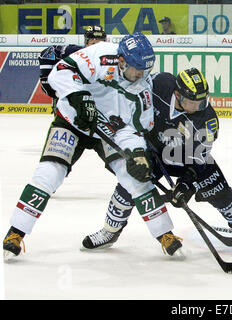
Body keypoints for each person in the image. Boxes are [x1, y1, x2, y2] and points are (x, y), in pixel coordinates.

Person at [3, 33, 182, 261]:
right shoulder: (100, 54)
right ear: (122, 61)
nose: (140, 75)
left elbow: (133, 129)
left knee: (136, 178)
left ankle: (164, 234)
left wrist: (137, 153)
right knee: (49, 173)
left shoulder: (143, 89)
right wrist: (80, 97)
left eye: (145, 69)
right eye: (137, 68)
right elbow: (60, 71)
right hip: (71, 121)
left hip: (107, 132)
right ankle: (16, 233)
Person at [81, 67, 232, 250]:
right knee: (127, 186)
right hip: (153, 153)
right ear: (177, 94)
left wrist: (186, 185)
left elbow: (199, 160)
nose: (197, 107)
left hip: (187, 160)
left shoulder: (207, 120)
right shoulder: (160, 84)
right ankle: (110, 232)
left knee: (220, 192)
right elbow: (132, 97)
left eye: (202, 102)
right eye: (192, 102)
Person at [38, 25, 107, 114]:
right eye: (93, 43)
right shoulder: (75, 52)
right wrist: (46, 77)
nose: (97, 47)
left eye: (100, 43)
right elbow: (47, 53)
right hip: (73, 99)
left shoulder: (111, 58)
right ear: (86, 43)